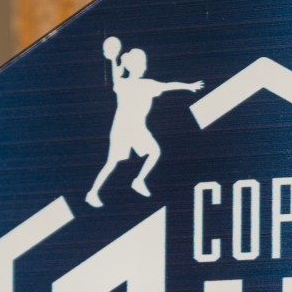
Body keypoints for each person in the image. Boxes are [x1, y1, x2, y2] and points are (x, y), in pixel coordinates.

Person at [85, 38, 204, 205]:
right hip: (122, 129)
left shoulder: (133, 83)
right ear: (135, 66)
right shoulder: (135, 84)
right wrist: (189, 86)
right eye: (142, 64)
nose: (144, 67)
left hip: (136, 128)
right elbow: (167, 85)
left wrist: (188, 86)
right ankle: (93, 193)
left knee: (153, 152)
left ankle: (138, 181)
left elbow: (167, 85)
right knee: (112, 162)